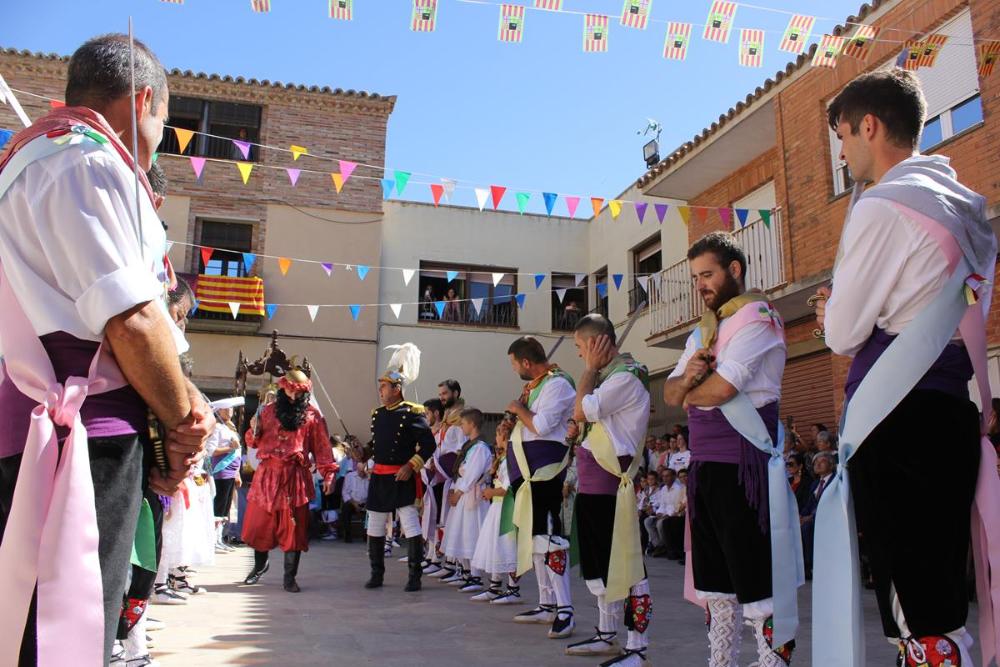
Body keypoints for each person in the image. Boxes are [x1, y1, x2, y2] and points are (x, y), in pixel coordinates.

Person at [0, 34, 214, 666]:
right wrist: (181, 423)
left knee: (34, 618)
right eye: (163, 123)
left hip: (39, 424)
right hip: (82, 436)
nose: (156, 140)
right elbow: (131, 319)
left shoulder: (25, 160)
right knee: (70, 622)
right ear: (144, 100)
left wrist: (185, 403)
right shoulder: (89, 162)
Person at [816, 68, 996, 664]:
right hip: (949, 407)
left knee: (914, 609)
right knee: (941, 596)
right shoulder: (963, 206)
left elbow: (843, 333)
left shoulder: (882, 205)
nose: (841, 153)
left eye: (842, 136)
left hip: (896, 415)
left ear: (869, 126)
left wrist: (830, 307)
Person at [663, 232, 794, 666]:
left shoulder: (758, 316)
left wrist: (689, 387)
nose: (700, 284)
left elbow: (721, 390)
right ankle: (721, 662)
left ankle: (772, 662)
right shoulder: (703, 331)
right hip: (706, 468)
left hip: (744, 466)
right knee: (716, 585)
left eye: (708, 274)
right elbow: (669, 394)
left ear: (734, 270)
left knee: (756, 578)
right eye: (695, 277)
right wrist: (686, 384)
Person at [563, 314, 652, 666]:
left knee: (627, 566)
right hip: (594, 484)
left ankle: (637, 645)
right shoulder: (610, 377)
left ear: (598, 344)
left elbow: (582, 410)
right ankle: (606, 633)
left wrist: (589, 371)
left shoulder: (626, 377)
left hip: (611, 485)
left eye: (581, 347)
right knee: (600, 564)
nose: (581, 355)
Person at [499, 336, 577, 639]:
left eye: (514, 363)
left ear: (526, 362)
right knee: (534, 541)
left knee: (550, 538)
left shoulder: (558, 384)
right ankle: (546, 603)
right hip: (527, 471)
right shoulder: (538, 385)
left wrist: (519, 410)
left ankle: (565, 608)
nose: (514, 369)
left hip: (545, 471)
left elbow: (542, 426)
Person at [241, 366, 337, 593]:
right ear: (283, 389)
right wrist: (252, 430)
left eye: (299, 392)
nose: (294, 396)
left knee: (293, 528)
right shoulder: (266, 411)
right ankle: (259, 567)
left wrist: (328, 473)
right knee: (259, 526)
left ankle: (289, 577)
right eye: (291, 391)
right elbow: (253, 442)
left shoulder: (313, 416)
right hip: (267, 475)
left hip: (295, 477)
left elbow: (323, 449)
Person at [364, 344, 437, 592]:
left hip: (402, 475)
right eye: (380, 386)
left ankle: (414, 576)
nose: (380, 390)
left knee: (410, 525)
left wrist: (411, 465)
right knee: (374, 525)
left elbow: (429, 444)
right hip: (380, 477)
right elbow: (377, 445)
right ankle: (376, 573)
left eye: (384, 386)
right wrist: (363, 454)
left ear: (397, 389)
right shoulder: (377, 414)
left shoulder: (413, 413)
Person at [441, 408, 493, 593]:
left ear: (472, 424)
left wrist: (459, 490)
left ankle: (476, 576)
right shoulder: (470, 446)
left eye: (463, 423)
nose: (461, 426)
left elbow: (471, 473)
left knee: (472, 533)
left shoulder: (479, 448)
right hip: (464, 495)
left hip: (472, 496)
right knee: (462, 533)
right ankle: (466, 572)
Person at [471, 434, 521, 604]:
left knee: (508, 546)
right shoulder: (503, 458)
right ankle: (495, 586)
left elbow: (509, 487)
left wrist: (491, 492)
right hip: (498, 507)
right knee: (495, 545)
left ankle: (513, 589)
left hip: (506, 507)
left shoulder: (512, 460)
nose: (496, 438)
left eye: (499, 435)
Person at [427, 380, 465, 582]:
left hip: (455, 478)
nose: (441, 397)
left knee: (454, 522)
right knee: (444, 521)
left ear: (456, 393)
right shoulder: (447, 421)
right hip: (442, 477)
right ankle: (447, 563)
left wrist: (443, 465)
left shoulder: (460, 420)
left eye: (445, 393)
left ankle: (456, 566)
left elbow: (461, 452)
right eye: (440, 394)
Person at [208, 406, 242, 553]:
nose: (229, 411)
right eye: (225, 409)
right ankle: (213, 540)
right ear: (219, 411)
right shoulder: (217, 427)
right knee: (218, 507)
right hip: (221, 471)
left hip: (231, 472)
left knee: (225, 508)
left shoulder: (230, 427)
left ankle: (219, 538)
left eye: (230, 409)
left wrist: (237, 473)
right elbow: (211, 450)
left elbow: (238, 451)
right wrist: (230, 449)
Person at [646, 468, 686, 560]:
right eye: (663, 476)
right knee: (648, 521)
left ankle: (666, 546)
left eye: (667, 476)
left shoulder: (678, 488)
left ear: (673, 477)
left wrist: (666, 515)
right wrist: (659, 512)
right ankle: (659, 545)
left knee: (660, 523)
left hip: (672, 514)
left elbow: (676, 505)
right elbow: (662, 504)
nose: (665, 478)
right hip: (664, 513)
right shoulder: (663, 488)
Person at [339, 445, 369, 543]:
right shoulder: (350, 476)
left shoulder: (369, 478)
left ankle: (367, 535)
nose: (362, 474)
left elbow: (372, 493)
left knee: (371, 508)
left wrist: (366, 503)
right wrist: (354, 503)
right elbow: (345, 492)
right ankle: (347, 534)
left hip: (366, 503)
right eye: (360, 471)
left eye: (363, 472)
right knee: (346, 508)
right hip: (352, 502)